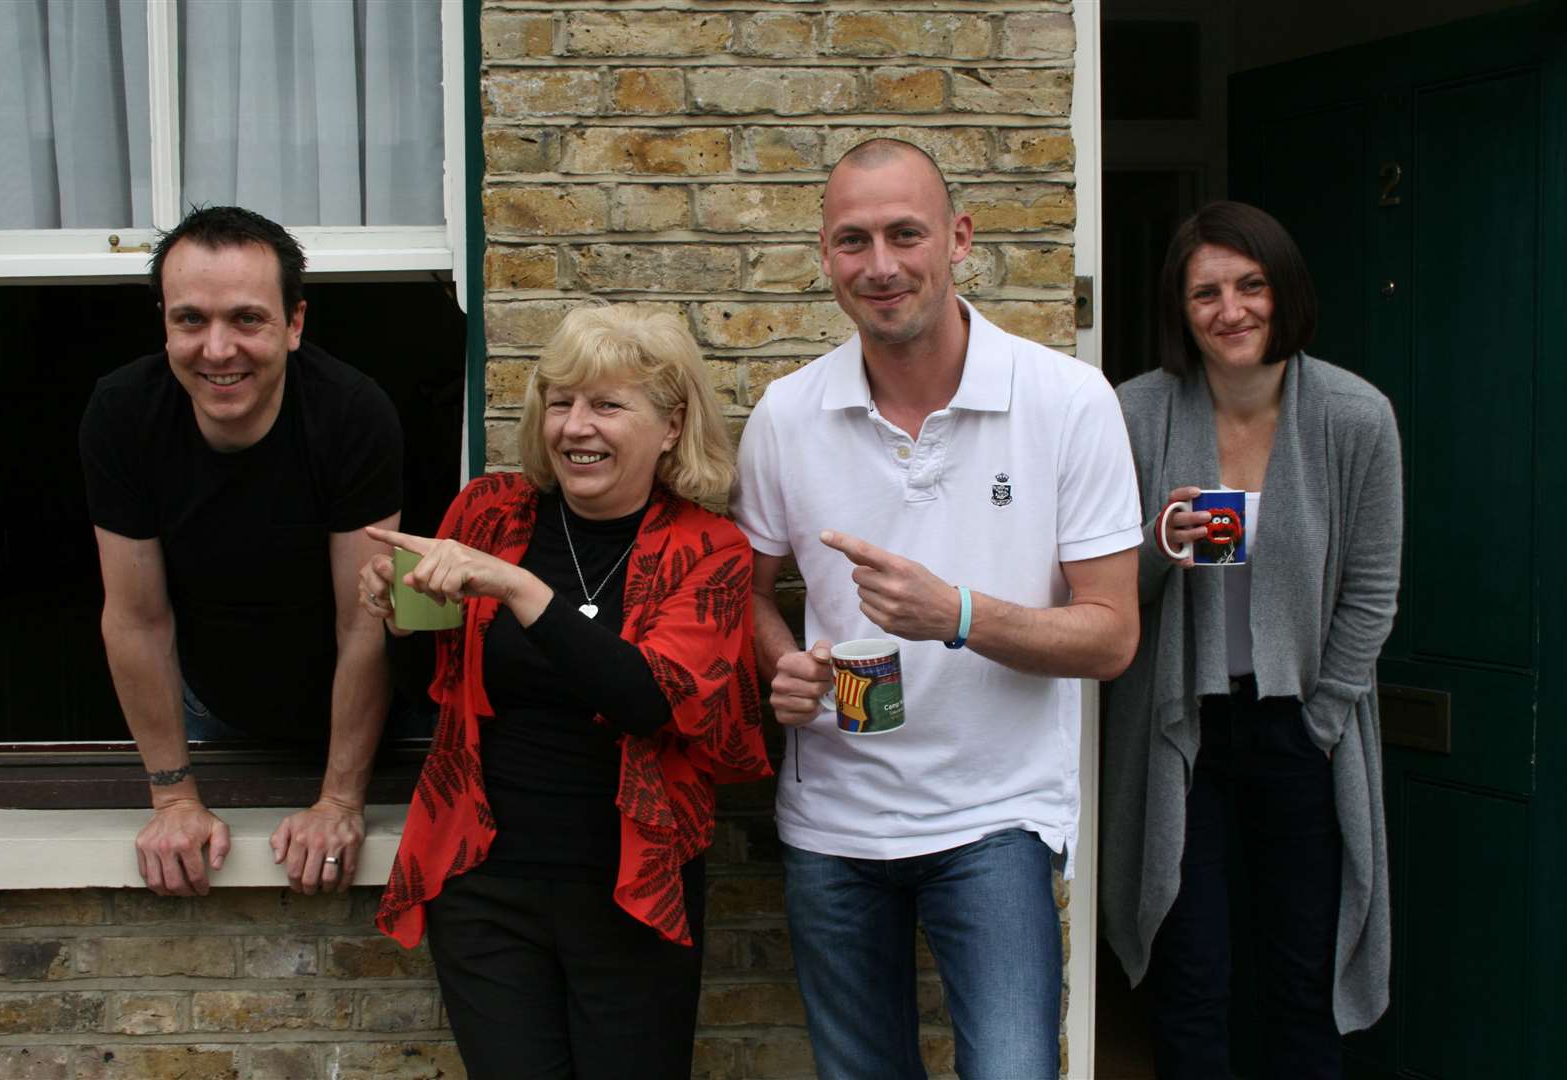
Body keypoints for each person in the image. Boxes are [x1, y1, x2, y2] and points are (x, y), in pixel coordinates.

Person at [731, 138, 1143, 1079]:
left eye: (905, 234)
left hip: (997, 816)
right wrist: (781, 665)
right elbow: (749, 595)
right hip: (832, 819)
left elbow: (1112, 633)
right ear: (824, 255)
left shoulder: (1067, 401)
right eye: (852, 240)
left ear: (958, 239)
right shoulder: (786, 415)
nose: (880, 266)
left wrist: (957, 613)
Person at [362, 304, 771, 1080]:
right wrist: (400, 623)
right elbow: (438, 691)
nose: (575, 427)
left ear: (671, 426)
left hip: (630, 894)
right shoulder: (487, 514)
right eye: (560, 401)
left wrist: (519, 590)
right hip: (487, 889)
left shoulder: (708, 550)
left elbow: (651, 698)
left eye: (607, 405)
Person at [1100, 201, 1401, 1079]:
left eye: (1250, 285)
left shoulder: (1355, 416)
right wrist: (1162, 543)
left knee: (1302, 975)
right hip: (1179, 728)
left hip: (1300, 730)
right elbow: (1104, 588)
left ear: (1284, 292)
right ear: (1180, 308)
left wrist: (1322, 718)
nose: (1230, 310)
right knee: (1190, 976)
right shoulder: (1135, 414)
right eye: (1206, 293)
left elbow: (1372, 591)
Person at [79, 206, 402, 898]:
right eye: (191, 320)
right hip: (211, 703)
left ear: (294, 324)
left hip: (363, 707)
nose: (217, 349)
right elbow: (137, 619)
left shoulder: (352, 413)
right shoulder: (123, 413)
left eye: (247, 319)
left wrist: (341, 802)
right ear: (164, 322)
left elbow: (365, 618)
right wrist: (172, 800)